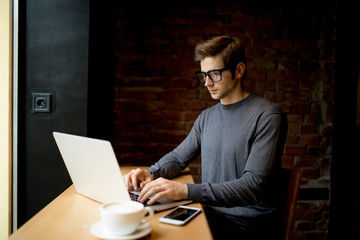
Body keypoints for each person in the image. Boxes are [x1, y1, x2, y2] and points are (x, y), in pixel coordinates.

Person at [123, 35, 288, 240]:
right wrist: (152, 173)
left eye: (215, 74)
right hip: (208, 213)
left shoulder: (268, 116)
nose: (207, 83)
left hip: (249, 224)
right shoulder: (206, 117)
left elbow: (252, 186)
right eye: (203, 75)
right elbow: (178, 157)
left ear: (239, 70)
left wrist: (184, 190)